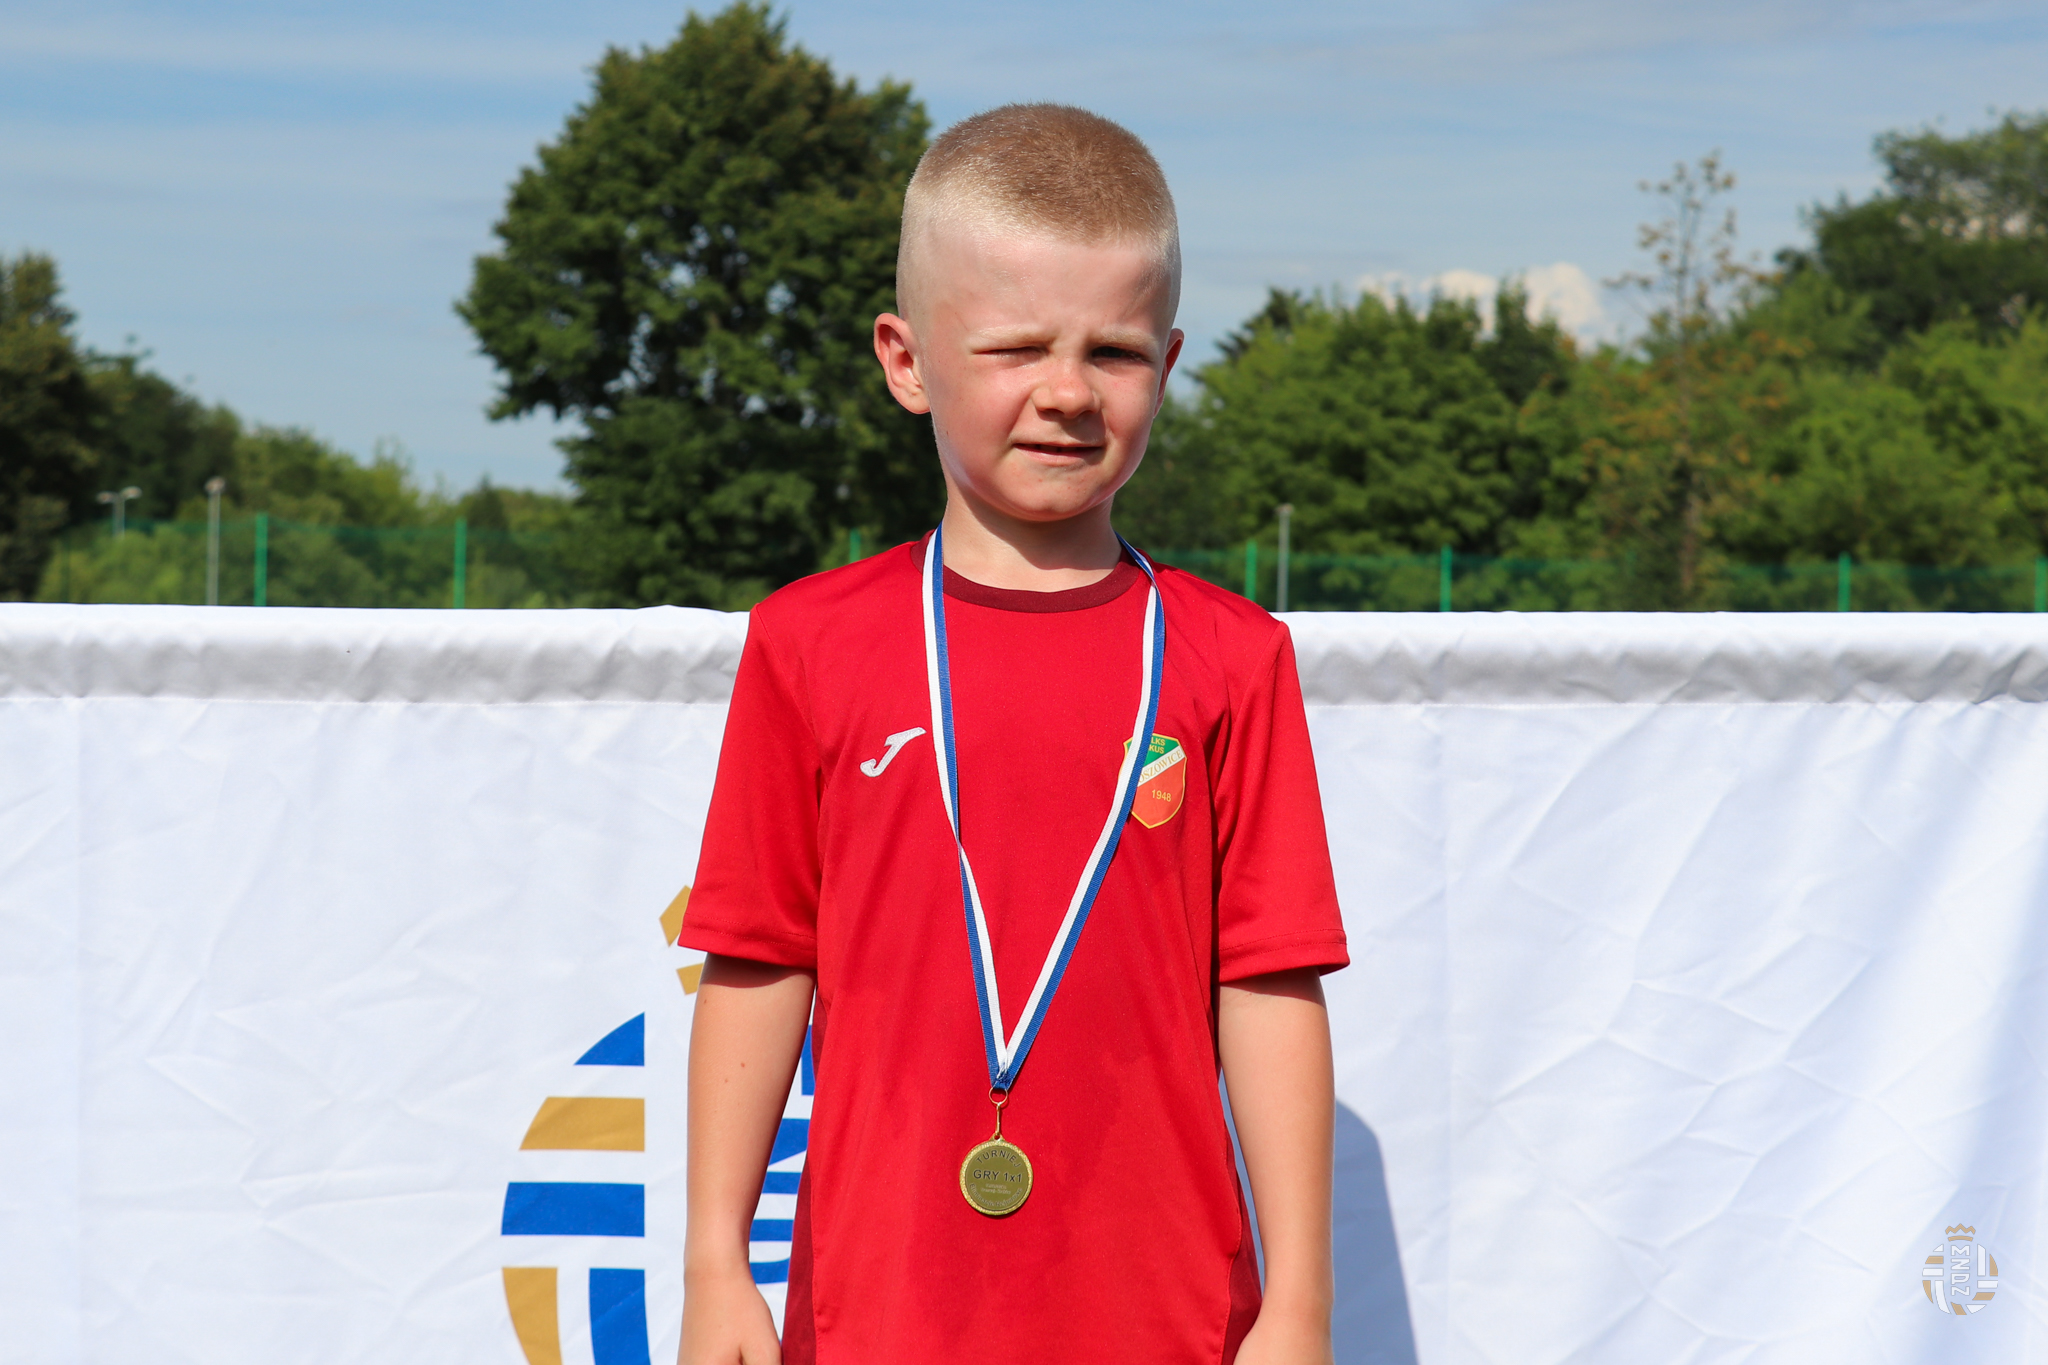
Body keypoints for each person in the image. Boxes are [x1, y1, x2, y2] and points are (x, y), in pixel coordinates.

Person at [677, 103, 1349, 1365]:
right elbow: (758, 961)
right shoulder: (807, 644)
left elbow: (1267, 985)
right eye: (1014, 347)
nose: (1067, 393)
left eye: (1115, 351)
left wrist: (1299, 1303)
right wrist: (715, 1264)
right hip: (879, 1313)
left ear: (1169, 363)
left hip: (1166, 1319)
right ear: (905, 360)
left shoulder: (1232, 658)